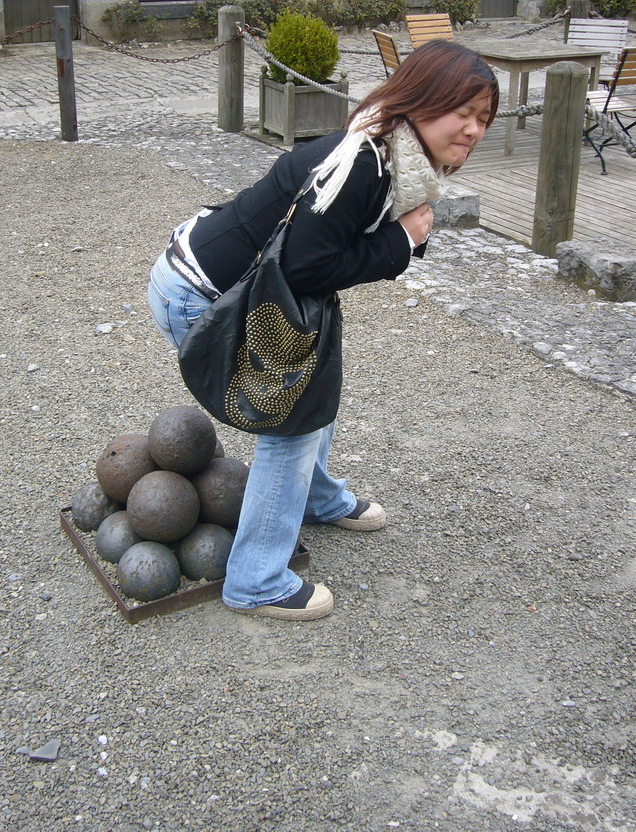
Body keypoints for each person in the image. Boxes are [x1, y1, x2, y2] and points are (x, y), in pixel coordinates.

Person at [147, 39, 499, 621]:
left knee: (316, 381)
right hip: (208, 296)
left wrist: (402, 235)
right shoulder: (364, 161)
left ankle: (314, 497)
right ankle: (256, 581)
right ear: (422, 99)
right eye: (462, 111)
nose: (472, 130)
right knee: (291, 425)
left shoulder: (388, 150)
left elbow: (315, 257)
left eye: (483, 118)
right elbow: (308, 266)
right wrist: (400, 241)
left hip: (224, 278)